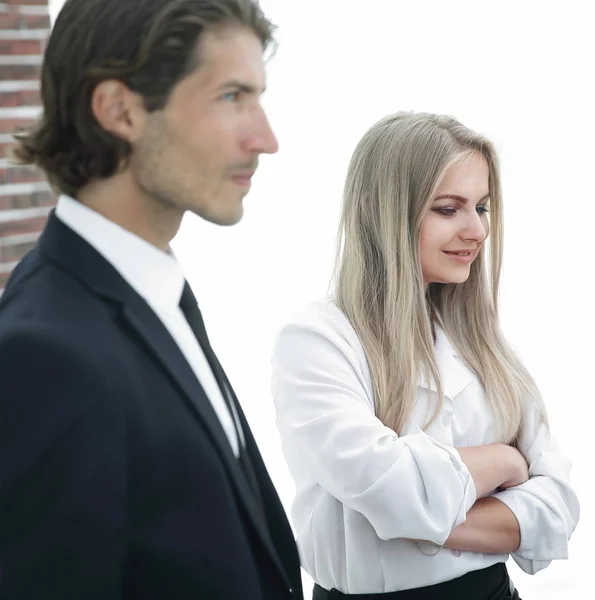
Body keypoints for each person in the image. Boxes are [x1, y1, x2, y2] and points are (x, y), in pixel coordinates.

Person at [0, 0, 303, 598]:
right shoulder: (46, 357)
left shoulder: (154, 292)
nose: (266, 139)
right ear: (120, 110)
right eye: (231, 97)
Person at [271, 112, 579, 599]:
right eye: (447, 208)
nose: (477, 230)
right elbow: (389, 489)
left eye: (481, 207)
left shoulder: (488, 345)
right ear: (381, 210)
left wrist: (412, 515)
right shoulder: (316, 340)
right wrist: (503, 462)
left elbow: (557, 505)